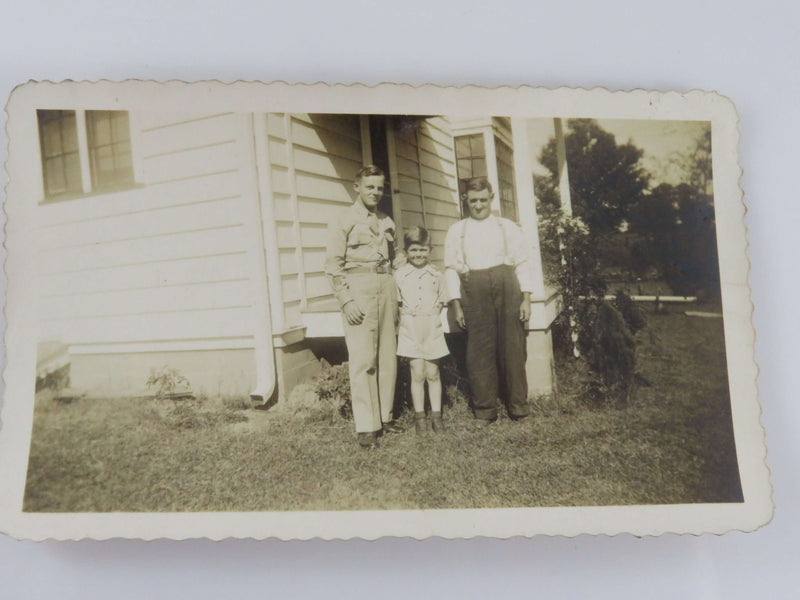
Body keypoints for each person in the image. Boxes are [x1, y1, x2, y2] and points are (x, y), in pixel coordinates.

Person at [444, 177, 535, 425]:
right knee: (479, 350)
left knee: (513, 347)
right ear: (466, 201)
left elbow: (523, 264)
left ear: (492, 199)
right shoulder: (457, 231)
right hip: (474, 289)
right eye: (473, 200)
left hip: (507, 286)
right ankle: (485, 410)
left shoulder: (507, 227)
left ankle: (518, 407)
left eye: (483, 200)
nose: (479, 205)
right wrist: (456, 304)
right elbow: (451, 269)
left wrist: (526, 299)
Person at [325, 165, 404, 449]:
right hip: (358, 288)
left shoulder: (387, 221)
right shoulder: (343, 219)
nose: (375, 192)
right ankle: (367, 427)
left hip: (386, 286)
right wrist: (345, 300)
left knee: (387, 355)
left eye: (380, 187)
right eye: (370, 187)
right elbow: (333, 266)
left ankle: (385, 416)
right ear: (356, 186)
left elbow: (396, 258)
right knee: (362, 359)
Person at [394, 226, 449, 434]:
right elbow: (398, 305)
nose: (418, 254)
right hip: (411, 327)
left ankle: (436, 416)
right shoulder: (399, 275)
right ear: (406, 251)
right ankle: (420, 418)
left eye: (423, 250)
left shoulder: (436, 275)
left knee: (433, 373)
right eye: (414, 250)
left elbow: (442, 302)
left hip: (431, 327)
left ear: (430, 250)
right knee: (417, 373)